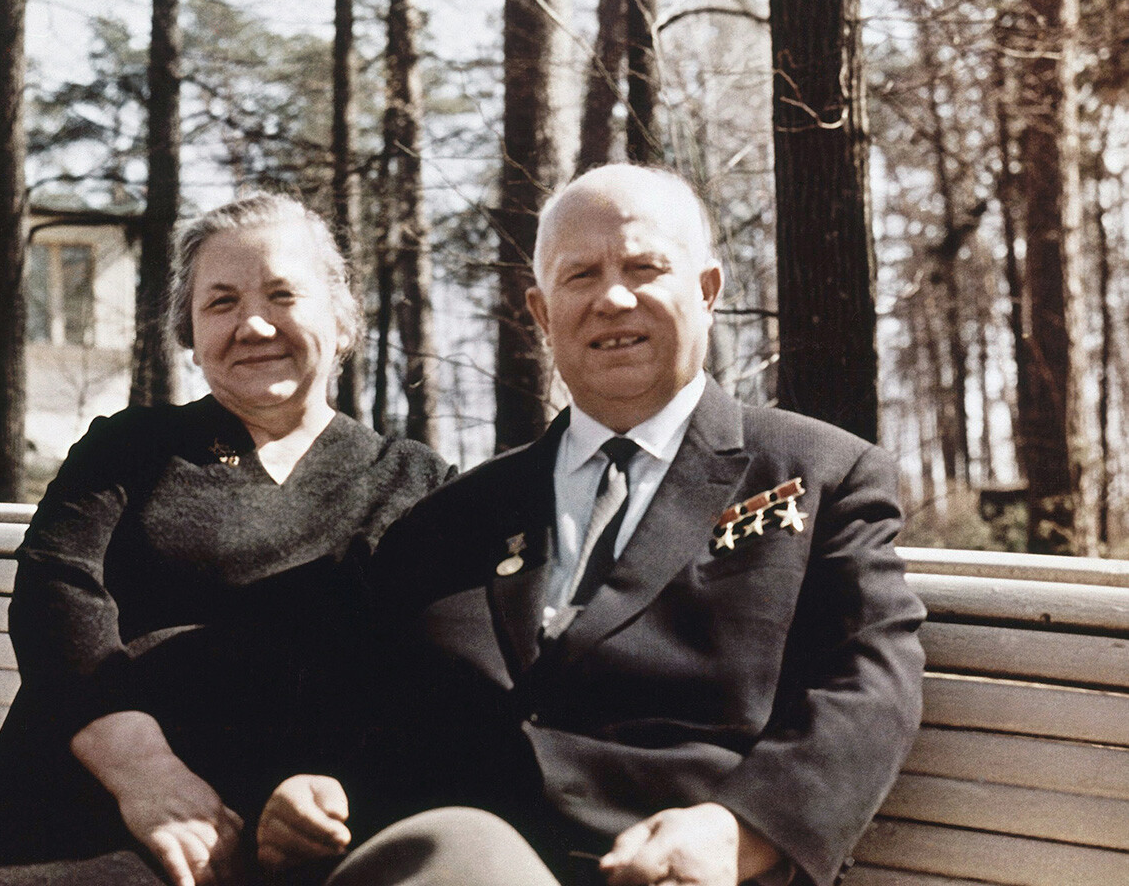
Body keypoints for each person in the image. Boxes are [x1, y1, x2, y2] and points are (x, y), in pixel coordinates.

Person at [254, 165, 925, 886]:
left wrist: (742, 829)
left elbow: (869, 676)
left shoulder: (818, 474)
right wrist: (320, 784)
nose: (612, 298)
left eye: (644, 267)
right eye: (580, 276)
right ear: (543, 315)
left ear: (706, 292)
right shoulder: (455, 518)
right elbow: (377, 697)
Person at [0, 192, 453, 886]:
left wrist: (346, 786)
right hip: (78, 781)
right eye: (220, 302)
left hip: (276, 825)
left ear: (342, 319)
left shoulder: (415, 482)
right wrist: (146, 775)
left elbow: (432, 673)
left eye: (282, 294)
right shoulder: (129, 448)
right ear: (190, 334)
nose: (252, 323)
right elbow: (58, 593)